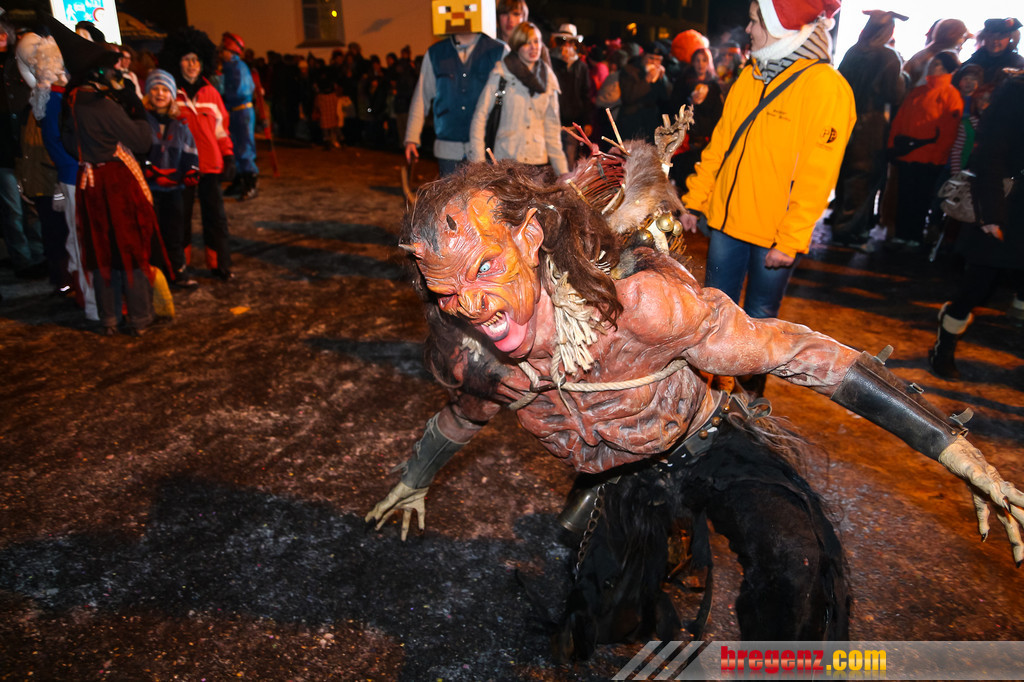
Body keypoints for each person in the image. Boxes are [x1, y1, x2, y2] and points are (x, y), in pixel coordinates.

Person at [364, 146, 1024, 657]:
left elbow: (792, 350)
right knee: (606, 616)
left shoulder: (640, 308)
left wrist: (949, 446)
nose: (474, 306)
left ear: (531, 239)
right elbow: (463, 416)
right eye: (447, 292)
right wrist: (415, 477)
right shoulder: (478, 361)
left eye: (485, 268)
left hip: (705, 441)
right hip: (620, 476)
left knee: (794, 561)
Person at [680, 0, 854, 395]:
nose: (748, 28)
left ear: (782, 27)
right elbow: (721, 144)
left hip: (772, 237)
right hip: (727, 224)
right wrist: (696, 199)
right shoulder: (750, 75)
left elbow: (818, 175)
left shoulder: (826, 87)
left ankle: (750, 399)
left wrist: (791, 239)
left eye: (755, 21)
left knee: (760, 321)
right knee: (715, 312)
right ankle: (710, 395)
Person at [54, 18, 157, 336]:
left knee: (100, 251)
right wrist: (136, 109)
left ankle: (109, 317)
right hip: (115, 183)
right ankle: (139, 316)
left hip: (89, 183)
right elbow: (142, 140)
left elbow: (68, 144)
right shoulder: (103, 106)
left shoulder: (72, 102)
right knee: (128, 247)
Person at [929, 72, 1024, 378]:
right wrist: (991, 214)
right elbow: (989, 158)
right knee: (979, 286)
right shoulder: (1016, 91)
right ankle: (945, 344)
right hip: (1007, 205)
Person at [158, 28, 236, 281]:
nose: (192, 65)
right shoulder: (171, 94)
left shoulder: (211, 93)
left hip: (210, 166)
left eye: (196, 60)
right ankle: (180, 264)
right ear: (177, 62)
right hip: (181, 168)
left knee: (216, 218)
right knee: (179, 219)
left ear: (203, 63)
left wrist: (228, 155)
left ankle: (220, 264)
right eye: (186, 59)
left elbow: (221, 130)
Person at [830, 10, 908, 246]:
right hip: (871, 126)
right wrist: (905, 78)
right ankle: (848, 232)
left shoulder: (853, 51)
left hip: (846, 121)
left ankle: (842, 223)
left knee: (846, 175)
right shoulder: (888, 56)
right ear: (888, 31)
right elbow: (894, 94)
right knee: (864, 178)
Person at [404, 1, 507, 176]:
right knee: (449, 193)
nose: (459, 15)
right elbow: (421, 96)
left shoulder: (499, 51)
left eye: (467, 8)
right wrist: (411, 137)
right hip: (448, 150)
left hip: (488, 147)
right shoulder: (435, 53)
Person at [468, 22, 567, 175]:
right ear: (516, 45)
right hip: (506, 162)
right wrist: (478, 164)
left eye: (536, 41)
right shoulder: (501, 73)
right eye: (527, 43)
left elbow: (552, 130)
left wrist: (563, 173)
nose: (534, 47)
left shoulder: (548, 78)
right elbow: (479, 118)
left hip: (537, 165)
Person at [885, 51, 961, 248]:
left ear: (945, 68)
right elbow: (900, 119)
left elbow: (949, 132)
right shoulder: (918, 91)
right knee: (905, 196)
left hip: (928, 159)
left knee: (920, 199)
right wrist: (893, 146)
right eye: (933, 62)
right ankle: (902, 234)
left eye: (937, 63)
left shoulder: (951, 96)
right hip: (907, 154)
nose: (932, 66)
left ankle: (914, 235)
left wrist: (936, 157)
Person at [142, 69, 200, 289]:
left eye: (165, 90)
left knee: (174, 231)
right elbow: (137, 152)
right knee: (152, 234)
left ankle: (178, 271)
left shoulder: (180, 124)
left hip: (174, 189)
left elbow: (190, 152)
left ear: (172, 95)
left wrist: (191, 171)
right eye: (155, 89)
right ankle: (156, 275)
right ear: (148, 93)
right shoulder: (141, 122)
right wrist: (150, 170)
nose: (160, 94)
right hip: (149, 189)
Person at [0, 13, 45, 279]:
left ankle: (39, 255)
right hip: (3, 150)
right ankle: (23, 260)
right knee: (12, 209)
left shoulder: (18, 61)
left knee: (32, 204)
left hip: (26, 145)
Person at [668, 43, 724, 187]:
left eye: (704, 60)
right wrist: (689, 102)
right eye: (697, 60)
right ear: (692, 63)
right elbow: (673, 106)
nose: (700, 64)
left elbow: (717, 114)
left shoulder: (714, 86)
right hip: (685, 138)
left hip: (704, 139)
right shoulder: (683, 82)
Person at [219, 32, 259, 200]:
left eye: (224, 50)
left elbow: (241, 91)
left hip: (242, 111)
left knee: (244, 148)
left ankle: (250, 184)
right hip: (235, 112)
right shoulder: (229, 67)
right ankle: (239, 181)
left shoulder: (238, 67)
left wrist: (221, 95)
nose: (221, 53)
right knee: (235, 147)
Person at [549, 23, 592, 170]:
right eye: (562, 41)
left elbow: (586, 94)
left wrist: (587, 121)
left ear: (574, 44)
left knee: (568, 163)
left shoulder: (581, 66)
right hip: (552, 122)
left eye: (570, 42)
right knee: (550, 164)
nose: (566, 45)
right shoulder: (549, 63)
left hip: (572, 124)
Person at [617, 44, 672, 142]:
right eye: (651, 58)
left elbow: (666, 97)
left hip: (650, 120)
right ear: (643, 56)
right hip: (632, 119)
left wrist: (663, 79)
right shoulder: (629, 70)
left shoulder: (660, 71)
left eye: (658, 59)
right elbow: (628, 97)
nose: (654, 62)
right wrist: (646, 80)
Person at [902, 18, 972, 87]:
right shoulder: (947, 56)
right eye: (962, 36)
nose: (962, 40)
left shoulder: (923, 53)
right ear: (954, 36)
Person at [960, 17, 1024, 87]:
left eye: (1001, 36)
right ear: (984, 37)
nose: (995, 41)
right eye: (990, 36)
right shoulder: (974, 60)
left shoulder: (1017, 64)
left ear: (1010, 38)